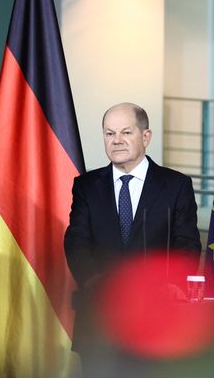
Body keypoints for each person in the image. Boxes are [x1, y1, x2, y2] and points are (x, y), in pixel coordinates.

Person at [64, 103, 202, 354]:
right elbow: (76, 243)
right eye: (109, 133)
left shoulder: (175, 185)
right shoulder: (86, 186)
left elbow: (187, 245)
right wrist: (95, 281)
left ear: (145, 136)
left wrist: (172, 283)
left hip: (157, 319)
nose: (116, 140)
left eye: (126, 132)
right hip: (100, 319)